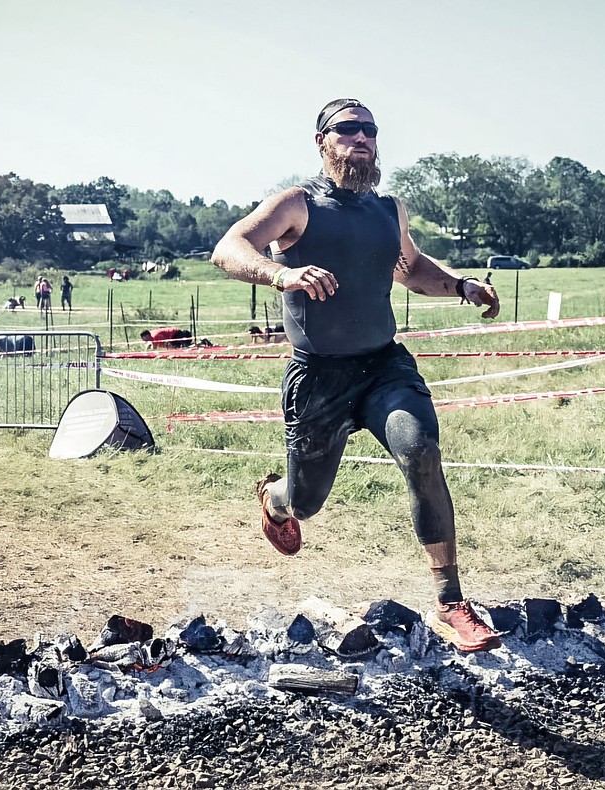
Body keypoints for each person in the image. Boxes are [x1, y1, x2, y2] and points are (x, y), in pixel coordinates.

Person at [211, 97, 503, 653]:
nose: (361, 138)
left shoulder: (389, 209)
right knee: (307, 501)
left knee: (422, 450)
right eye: (346, 130)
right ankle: (275, 498)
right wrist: (281, 272)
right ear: (322, 141)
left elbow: (412, 268)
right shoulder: (298, 204)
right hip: (318, 377)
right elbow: (229, 248)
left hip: (383, 366)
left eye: (369, 130)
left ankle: (450, 602)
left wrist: (462, 285)